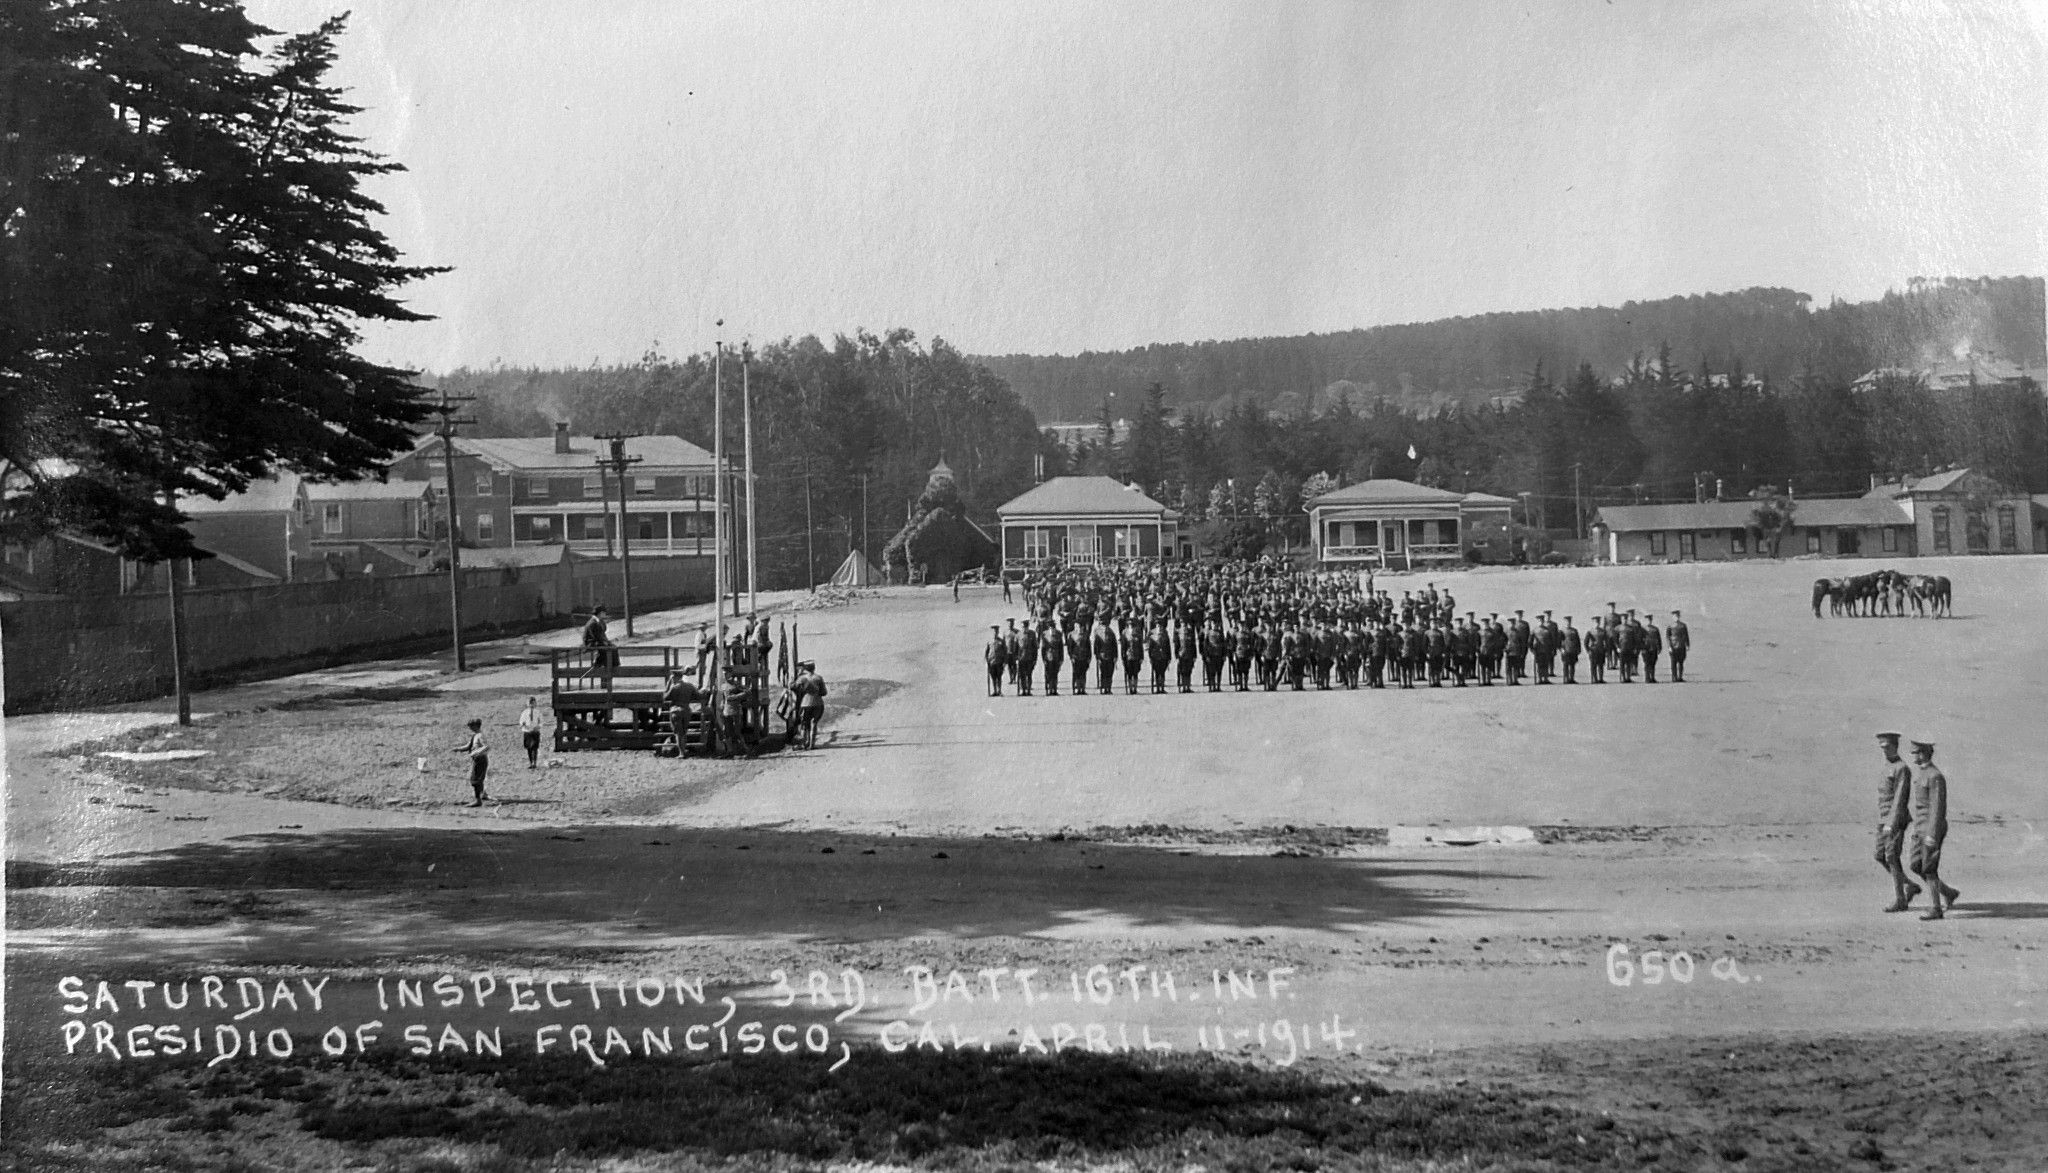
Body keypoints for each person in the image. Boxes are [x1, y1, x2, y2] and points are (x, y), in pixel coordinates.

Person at [1905, 741, 1960, 920]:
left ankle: (1936, 908)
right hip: (1919, 827)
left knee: (1929, 868)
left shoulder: (1935, 776)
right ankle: (1948, 892)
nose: (1915, 757)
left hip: (1931, 828)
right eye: (1914, 754)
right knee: (1915, 865)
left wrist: (1932, 834)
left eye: (1917, 753)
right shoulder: (1921, 774)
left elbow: (1938, 807)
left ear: (1926, 753)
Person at [1873, 732, 1917, 912]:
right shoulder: (1886, 766)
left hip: (1895, 819)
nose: (1884, 750)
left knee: (1891, 856)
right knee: (1879, 855)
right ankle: (1910, 886)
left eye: (1887, 746)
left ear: (1895, 746)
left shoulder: (1902, 768)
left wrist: (1891, 823)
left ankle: (1900, 900)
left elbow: (1900, 798)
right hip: (1883, 818)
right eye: (1882, 747)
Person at [663, 670, 701, 757]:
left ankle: (681, 753)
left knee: (678, 733)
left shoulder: (674, 687)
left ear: (675, 677)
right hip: (686, 710)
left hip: (676, 710)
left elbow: (665, 697)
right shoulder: (690, 686)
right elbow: (698, 696)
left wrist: (668, 685)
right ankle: (683, 751)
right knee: (684, 732)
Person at [791, 659, 827, 749]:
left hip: (805, 703)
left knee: (804, 724)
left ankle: (803, 744)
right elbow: (824, 692)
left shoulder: (802, 678)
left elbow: (793, 687)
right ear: (814, 668)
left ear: (805, 669)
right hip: (818, 703)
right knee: (814, 723)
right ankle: (812, 744)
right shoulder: (819, 678)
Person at [580, 604, 617, 688]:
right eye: (604, 612)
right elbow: (596, 636)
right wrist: (605, 643)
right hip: (591, 642)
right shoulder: (593, 623)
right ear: (600, 613)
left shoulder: (600, 622)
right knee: (606, 650)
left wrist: (608, 642)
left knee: (613, 649)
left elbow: (602, 635)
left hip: (598, 641)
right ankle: (602, 663)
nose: (605, 614)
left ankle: (613, 666)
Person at [454, 717, 489, 806]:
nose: (470, 728)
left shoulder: (480, 735)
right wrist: (458, 749)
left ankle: (478, 801)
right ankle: (482, 795)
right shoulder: (475, 735)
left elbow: (487, 746)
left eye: (471, 726)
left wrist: (477, 752)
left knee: (475, 780)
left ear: (475, 726)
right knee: (478, 779)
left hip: (480, 760)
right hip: (477, 760)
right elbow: (468, 746)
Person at [518, 696, 544, 767]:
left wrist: (538, 726)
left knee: (535, 748)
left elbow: (541, 722)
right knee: (529, 748)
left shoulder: (538, 712)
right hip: (527, 731)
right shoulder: (524, 713)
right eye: (530, 703)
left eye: (533, 703)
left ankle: (534, 763)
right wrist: (522, 724)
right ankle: (530, 762)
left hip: (535, 732)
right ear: (528, 704)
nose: (531, 705)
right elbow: (521, 721)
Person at [984, 623, 1009, 697]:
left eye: (996, 632)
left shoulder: (1001, 641)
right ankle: (994, 691)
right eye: (993, 632)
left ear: (998, 632)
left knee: (999, 677)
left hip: (999, 662)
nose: (995, 633)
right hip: (992, 662)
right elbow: (986, 652)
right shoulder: (989, 642)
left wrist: (1005, 662)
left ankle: (999, 691)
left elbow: (1005, 652)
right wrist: (987, 661)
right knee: (993, 677)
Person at [1040, 621, 1064, 696]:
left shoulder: (1059, 634)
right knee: (1048, 674)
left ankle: (1054, 689)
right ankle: (1049, 689)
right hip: (1048, 657)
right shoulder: (1044, 634)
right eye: (1050, 627)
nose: (1052, 629)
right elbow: (1043, 648)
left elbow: (1061, 647)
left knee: (1055, 673)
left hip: (1056, 656)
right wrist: (1043, 659)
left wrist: (1061, 658)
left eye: (1053, 627)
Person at [1666, 610, 1689, 682]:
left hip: (1681, 646)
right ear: (1673, 617)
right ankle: (1674, 677)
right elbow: (1668, 637)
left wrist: (1687, 644)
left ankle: (1680, 677)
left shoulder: (1683, 625)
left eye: (1677, 616)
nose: (1676, 618)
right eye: (1675, 616)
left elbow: (1686, 636)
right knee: (1673, 663)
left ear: (1679, 616)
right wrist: (1669, 646)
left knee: (1681, 663)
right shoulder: (1670, 626)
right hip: (1673, 647)